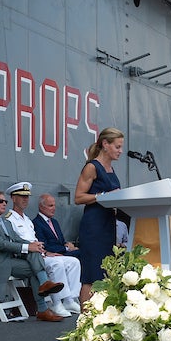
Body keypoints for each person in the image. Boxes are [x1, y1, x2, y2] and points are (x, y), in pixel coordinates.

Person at [0, 189, 65, 322]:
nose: (4, 204)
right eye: (0, 201)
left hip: (9, 260)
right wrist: (28, 247)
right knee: (33, 261)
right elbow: (0, 244)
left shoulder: (5, 222)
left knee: (34, 254)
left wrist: (33, 245)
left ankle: (43, 302)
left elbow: (16, 239)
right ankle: (43, 304)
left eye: (5, 201)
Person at [6, 183, 80, 316]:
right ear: (13, 198)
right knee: (57, 263)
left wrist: (45, 252)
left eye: (27, 197)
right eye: (21, 196)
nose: (25, 200)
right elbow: (12, 242)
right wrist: (36, 250)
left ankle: (70, 299)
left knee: (73, 262)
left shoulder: (27, 220)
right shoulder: (9, 220)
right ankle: (57, 303)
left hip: (39, 255)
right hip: (25, 256)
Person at [74, 127, 124, 301]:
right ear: (105, 144)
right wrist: (103, 196)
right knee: (91, 275)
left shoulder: (110, 168)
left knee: (105, 273)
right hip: (94, 226)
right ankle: (85, 321)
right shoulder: (92, 167)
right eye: (117, 147)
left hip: (108, 225)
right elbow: (78, 197)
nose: (120, 151)